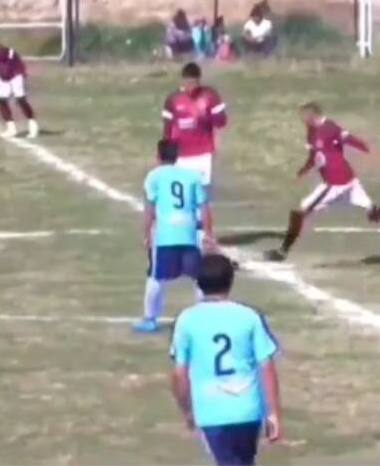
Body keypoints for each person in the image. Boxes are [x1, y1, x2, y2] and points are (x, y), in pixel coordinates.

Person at [265, 102, 380, 262]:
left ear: (313, 115)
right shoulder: (310, 132)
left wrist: (370, 151)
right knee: (373, 212)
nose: (302, 120)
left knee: (299, 211)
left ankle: (282, 252)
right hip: (347, 181)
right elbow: (313, 157)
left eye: (304, 116)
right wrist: (303, 172)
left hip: (335, 183)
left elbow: (350, 139)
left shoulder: (329, 127)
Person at [170, 254, 282, 466]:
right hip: (248, 409)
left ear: (198, 283)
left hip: (212, 411)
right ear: (231, 281)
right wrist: (273, 412)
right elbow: (266, 366)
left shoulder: (187, 320)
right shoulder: (249, 316)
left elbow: (180, 374)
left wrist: (187, 410)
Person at [133, 139, 214, 334]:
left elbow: (150, 209)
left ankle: (150, 319)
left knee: (156, 277)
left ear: (158, 155)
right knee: (198, 277)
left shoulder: (153, 177)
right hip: (189, 233)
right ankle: (204, 317)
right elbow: (204, 207)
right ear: (177, 156)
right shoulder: (192, 176)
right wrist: (208, 233)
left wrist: (147, 234)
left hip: (166, 235)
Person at [162, 62, 228, 242]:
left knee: (202, 196)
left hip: (202, 153)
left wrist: (213, 118)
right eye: (188, 83)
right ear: (182, 81)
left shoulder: (210, 96)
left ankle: (207, 235)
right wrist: (166, 154)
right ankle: (187, 232)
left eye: (194, 83)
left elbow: (221, 121)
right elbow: (167, 130)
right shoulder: (173, 100)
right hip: (181, 155)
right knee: (184, 196)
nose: (191, 87)